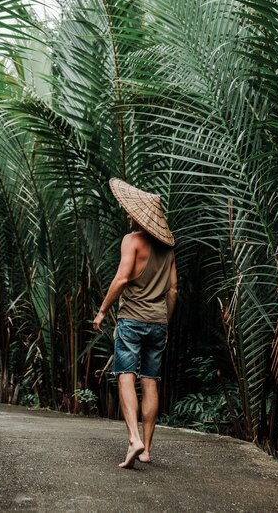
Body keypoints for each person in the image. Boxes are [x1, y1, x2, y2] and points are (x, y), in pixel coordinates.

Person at [93, 178, 177, 469]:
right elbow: (173, 290)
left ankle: (133, 438)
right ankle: (148, 449)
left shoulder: (132, 241)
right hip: (158, 322)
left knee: (125, 374)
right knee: (150, 380)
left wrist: (103, 310)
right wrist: (163, 319)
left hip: (131, 320)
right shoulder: (168, 248)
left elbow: (121, 278)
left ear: (136, 215)